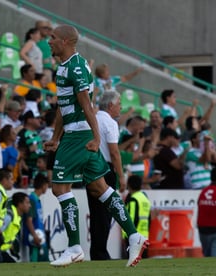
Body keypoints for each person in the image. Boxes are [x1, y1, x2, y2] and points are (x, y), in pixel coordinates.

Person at [44, 25, 148, 267]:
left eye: (53, 38)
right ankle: (134, 235)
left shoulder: (77, 66)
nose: (49, 42)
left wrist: (96, 136)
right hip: (73, 134)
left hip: (78, 136)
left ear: (67, 41)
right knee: (100, 188)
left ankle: (74, 247)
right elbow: (63, 108)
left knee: (60, 189)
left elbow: (86, 103)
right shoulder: (64, 66)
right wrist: (55, 136)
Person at [87, 90, 126, 260]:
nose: (121, 108)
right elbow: (114, 152)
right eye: (119, 105)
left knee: (96, 212)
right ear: (111, 105)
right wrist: (121, 175)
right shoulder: (110, 123)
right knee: (105, 214)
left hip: (91, 169)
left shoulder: (93, 119)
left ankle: (97, 251)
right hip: (106, 169)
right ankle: (100, 251)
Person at [23, 173, 49, 262]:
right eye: (46, 185)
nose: (47, 188)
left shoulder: (37, 200)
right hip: (36, 240)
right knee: (35, 265)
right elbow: (29, 221)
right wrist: (35, 236)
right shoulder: (32, 200)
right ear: (43, 185)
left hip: (41, 238)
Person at [123, 175, 151, 258]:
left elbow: (131, 218)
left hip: (134, 236)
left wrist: (128, 234)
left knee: (132, 260)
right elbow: (149, 218)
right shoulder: (145, 198)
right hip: (144, 234)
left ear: (129, 185)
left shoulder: (133, 199)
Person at [0, 192, 31, 263]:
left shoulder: (17, 217)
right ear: (20, 204)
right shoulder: (9, 215)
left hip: (2, 250)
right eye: (27, 203)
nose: (30, 205)